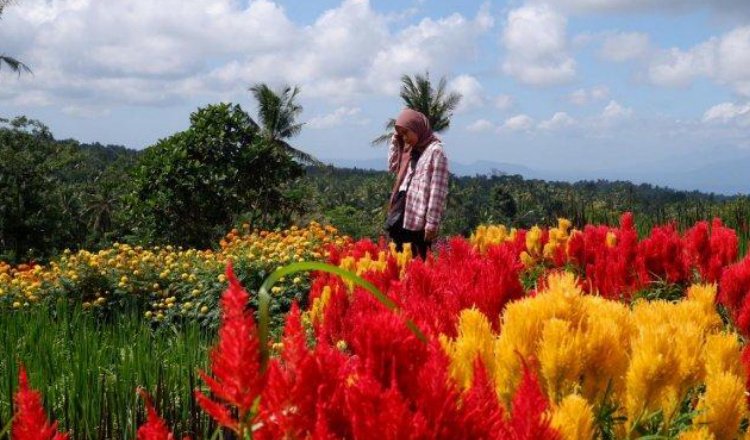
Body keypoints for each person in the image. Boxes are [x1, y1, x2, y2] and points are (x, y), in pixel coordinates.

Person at [385, 108, 449, 259]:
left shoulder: (436, 152)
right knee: (399, 262)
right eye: (401, 134)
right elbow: (393, 165)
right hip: (401, 213)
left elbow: (437, 192)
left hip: (418, 222)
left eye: (406, 133)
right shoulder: (411, 150)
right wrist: (396, 138)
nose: (404, 138)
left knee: (417, 264)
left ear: (417, 128)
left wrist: (432, 224)